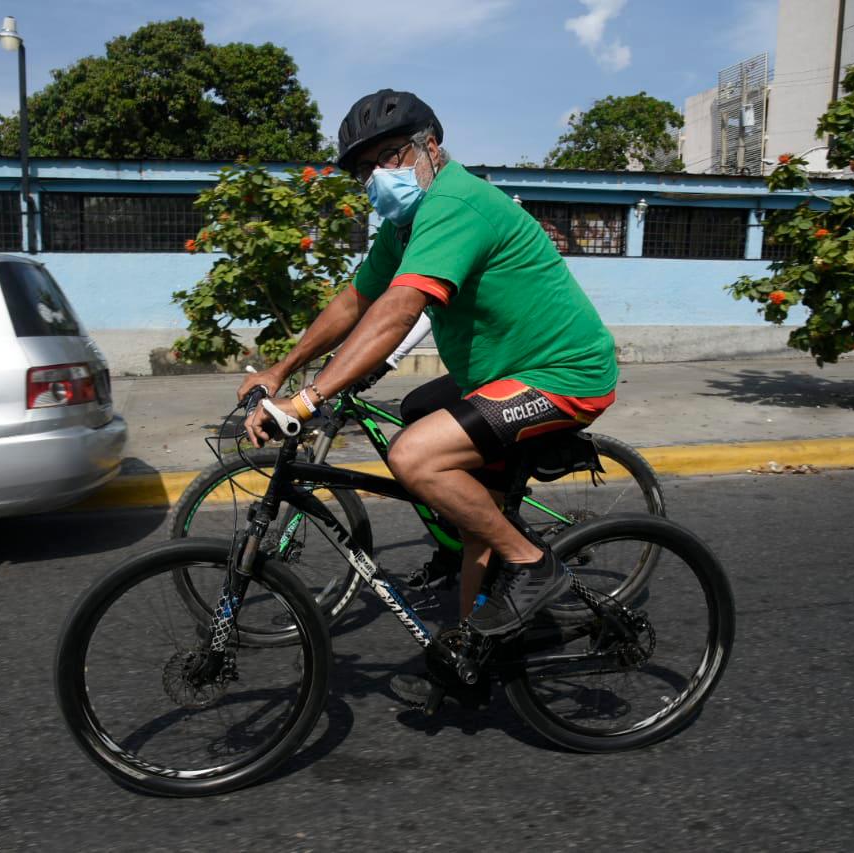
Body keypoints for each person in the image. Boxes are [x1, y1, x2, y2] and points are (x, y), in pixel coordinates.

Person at [239, 89, 619, 701]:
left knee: (415, 455)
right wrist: (281, 371)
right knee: (452, 482)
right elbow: (356, 300)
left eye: (390, 157)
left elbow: (400, 306)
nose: (378, 177)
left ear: (430, 148)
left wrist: (308, 400)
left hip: (561, 374)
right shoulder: (405, 222)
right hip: (498, 378)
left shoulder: (457, 203)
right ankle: (477, 649)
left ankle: (535, 566)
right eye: (366, 170)